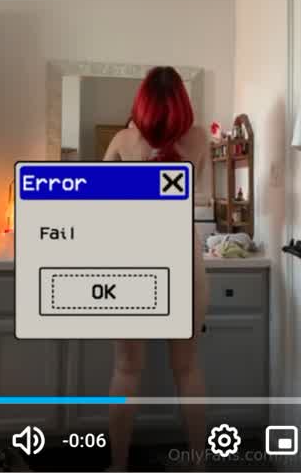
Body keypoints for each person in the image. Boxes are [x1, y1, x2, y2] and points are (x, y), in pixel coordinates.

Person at [103, 66, 210, 471]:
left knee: (126, 369)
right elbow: (196, 194)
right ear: (182, 102)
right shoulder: (199, 140)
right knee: (188, 368)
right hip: (183, 257)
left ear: (142, 103)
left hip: (133, 257)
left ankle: (118, 466)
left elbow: (99, 202)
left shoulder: (123, 140)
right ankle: (199, 465)